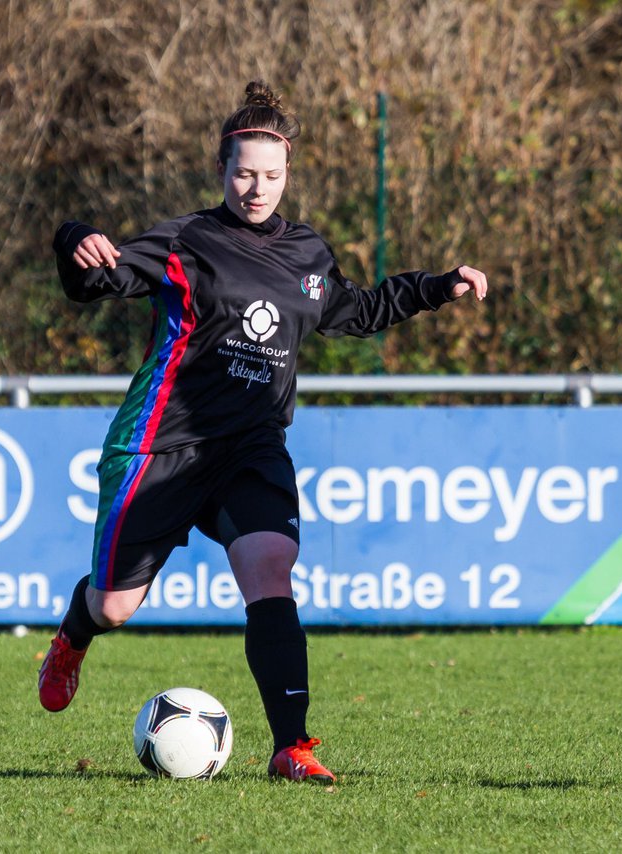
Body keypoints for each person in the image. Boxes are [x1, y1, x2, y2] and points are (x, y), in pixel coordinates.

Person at [38, 81, 488, 785]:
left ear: (288, 175)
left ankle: (292, 747)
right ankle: (74, 633)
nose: (257, 187)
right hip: (162, 446)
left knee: (270, 569)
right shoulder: (188, 240)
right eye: (244, 173)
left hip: (250, 448)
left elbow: (357, 310)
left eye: (271, 176)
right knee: (115, 606)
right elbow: (98, 281)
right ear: (221, 170)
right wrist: (76, 243)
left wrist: (436, 286)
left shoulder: (306, 252)